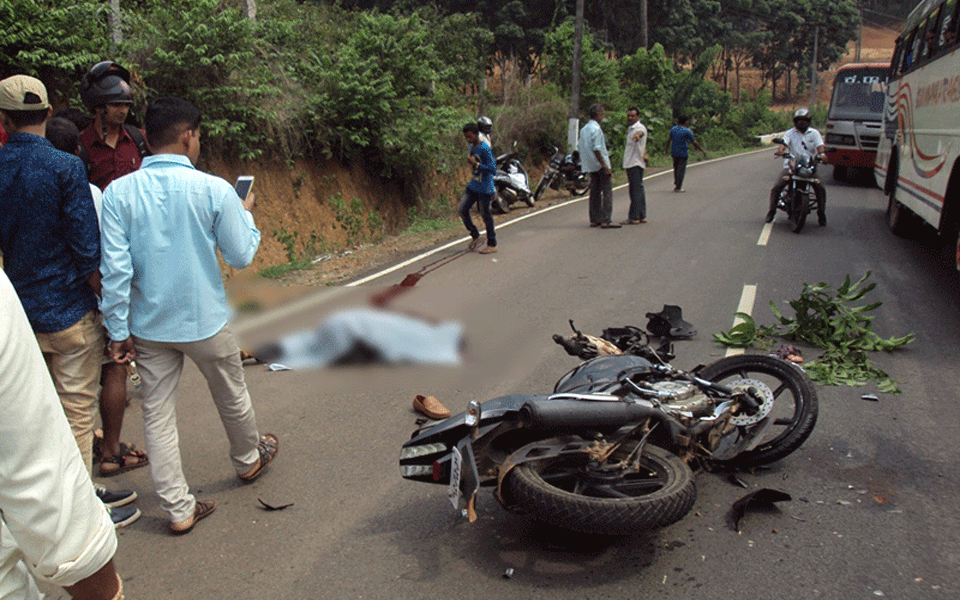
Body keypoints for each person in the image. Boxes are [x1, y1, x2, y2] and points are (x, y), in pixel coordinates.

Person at [99, 96, 279, 534]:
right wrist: (245, 214)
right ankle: (249, 459)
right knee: (231, 392)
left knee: (158, 413)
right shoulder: (215, 190)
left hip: (148, 325)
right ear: (188, 136)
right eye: (197, 136)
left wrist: (117, 329)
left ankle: (179, 509)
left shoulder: (117, 194)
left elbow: (116, 270)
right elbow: (240, 254)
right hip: (204, 320)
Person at [0, 75, 139, 528]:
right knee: (77, 410)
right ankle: (82, 513)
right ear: (49, 111)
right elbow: (85, 247)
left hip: (18, 316)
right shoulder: (66, 167)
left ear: (3, 119)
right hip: (69, 313)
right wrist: (112, 311)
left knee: (29, 418)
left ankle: (36, 508)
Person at [0, 269, 124, 600]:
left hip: (31, 308)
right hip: (67, 312)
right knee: (74, 417)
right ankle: (91, 498)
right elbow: (39, 476)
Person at [46, 117, 150, 479]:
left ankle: (65, 457)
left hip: (37, 306)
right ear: (78, 151)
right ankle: (107, 453)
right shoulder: (89, 192)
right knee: (112, 370)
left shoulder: (21, 183)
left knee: (54, 388)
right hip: (84, 302)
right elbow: (105, 252)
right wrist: (113, 304)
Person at [79, 61, 148, 192]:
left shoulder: (139, 139)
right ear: (99, 107)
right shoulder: (82, 145)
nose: (123, 111)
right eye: (116, 105)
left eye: (126, 105)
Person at [766, 108, 827, 226]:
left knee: (820, 188)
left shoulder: (814, 133)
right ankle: (772, 211)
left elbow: (820, 146)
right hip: (792, 166)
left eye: (804, 120)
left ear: (808, 121)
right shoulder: (790, 133)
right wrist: (780, 150)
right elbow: (783, 144)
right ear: (795, 121)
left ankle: (821, 213)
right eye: (799, 120)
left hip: (810, 167)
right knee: (777, 187)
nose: (801, 122)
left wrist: (822, 155)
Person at [458, 121, 498, 254]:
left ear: (476, 135)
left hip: (485, 187)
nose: (468, 140)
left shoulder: (485, 148)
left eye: (470, 137)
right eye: (466, 137)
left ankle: (492, 244)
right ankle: (475, 235)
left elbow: (493, 169)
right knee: (462, 209)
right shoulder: (472, 147)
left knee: (485, 215)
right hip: (474, 184)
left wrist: (476, 165)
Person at [578, 103, 619, 228]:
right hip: (599, 164)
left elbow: (580, 147)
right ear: (598, 115)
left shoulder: (584, 129)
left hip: (590, 165)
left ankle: (594, 219)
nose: (603, 115)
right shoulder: (596, 129)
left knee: (594, 191)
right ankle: (606, 219)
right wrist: (605, 166)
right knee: (607, 191)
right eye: (602, 113)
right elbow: (597, 149)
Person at [665, 115, 707, 192]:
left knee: (676, 168)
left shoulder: (673, 129)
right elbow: (694, 142)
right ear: (685, 122)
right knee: (681, 170)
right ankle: (678, 187)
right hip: (683, 153)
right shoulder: (687, 131)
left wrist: (666, 149)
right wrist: (702, 150)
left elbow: (669, 140)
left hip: (674, 152)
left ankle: (676, 183)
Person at [622, 106, 648, 224]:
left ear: (638, 117)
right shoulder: (631, 128)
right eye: (629, 115)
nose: (630, 118)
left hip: (634, 163)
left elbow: (640, 133)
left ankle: (634, 216)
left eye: (633, 116)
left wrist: (637, 136)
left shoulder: (639, 128)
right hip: (634, 162)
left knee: (635, 190)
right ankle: (642, 215)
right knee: (639, 189)